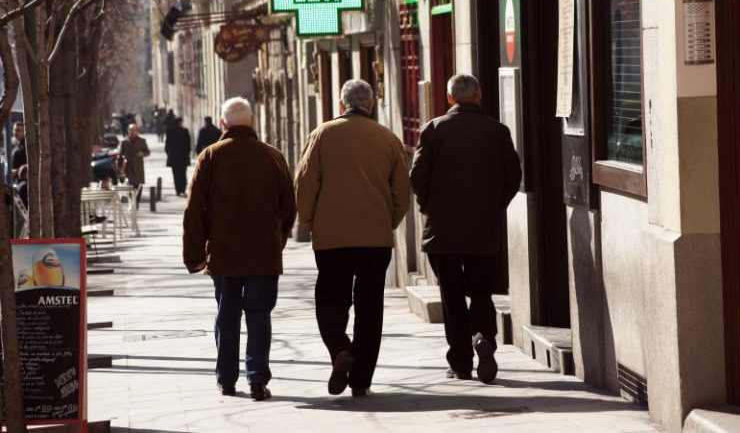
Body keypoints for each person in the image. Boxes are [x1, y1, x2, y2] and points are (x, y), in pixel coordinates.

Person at [295, 79, 410, 397]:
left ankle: (340, 349)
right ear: (371, 105)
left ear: (341, 104)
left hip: (332, 239)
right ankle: (361, 379)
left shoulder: (322, 135)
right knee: (370, 307)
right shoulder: (387, 138)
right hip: (375, 239)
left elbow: (305, 184)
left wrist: (310, 222)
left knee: (330, 301)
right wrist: (387, 222)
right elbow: (402, 193)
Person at [410, 73, 522, 384]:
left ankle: (460, 361)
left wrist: (428, 206)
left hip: (442, 230)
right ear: (479, 95)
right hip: (482, 227)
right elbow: (513, 176)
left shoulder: (434, 129)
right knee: (481, 290)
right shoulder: (497, 131)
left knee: (452, 295)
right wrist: (495, 205)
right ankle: (484, 336)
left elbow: (417, 176)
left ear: (450, 98)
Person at [183, 97, 296, 401]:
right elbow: (289, 206)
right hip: (263, 253)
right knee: (259, 314)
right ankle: (257, 379)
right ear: (252, 121)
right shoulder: (273, 156)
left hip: (225, 253)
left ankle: (226, 379)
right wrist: (277, 239)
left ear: (223, 123)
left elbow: (194, 210)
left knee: (227, 314)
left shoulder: (210, 157)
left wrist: (195, 255)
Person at [119, 124, 151, 208]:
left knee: (138, 185)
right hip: (128, 167)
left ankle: (136, 202)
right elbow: (120, 155)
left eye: (134, 130)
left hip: (138, 167)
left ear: (137, 131)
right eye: (130, 130)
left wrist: (142, 153)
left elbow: (148, 152)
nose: (132, 132)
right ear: (128, 131)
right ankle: (132, 201)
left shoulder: (142, 141)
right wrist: (120, 168)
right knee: (130, 185)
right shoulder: (124, 142)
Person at [165, 116, 191, 196]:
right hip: (183, 156)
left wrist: (169, 154)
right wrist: (187, 153)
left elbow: (167, 145)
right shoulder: (185, 131)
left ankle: (178, 190)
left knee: (176, 174)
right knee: (183, 173)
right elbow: (188, 144)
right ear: (180, 122)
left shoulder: (170, 131)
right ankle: (183, 189)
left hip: (173, 156)